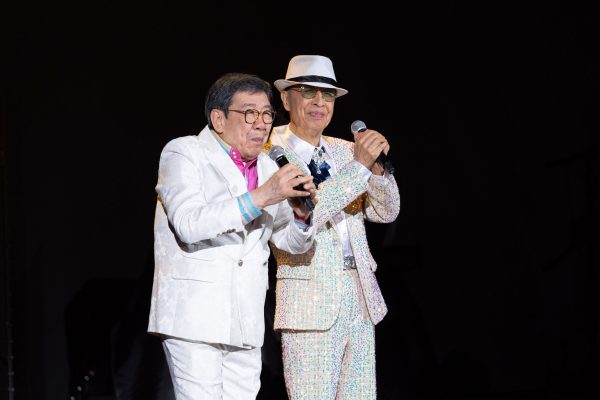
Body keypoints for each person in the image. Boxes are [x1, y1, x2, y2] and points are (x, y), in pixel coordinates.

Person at [148, 72, 317, 400]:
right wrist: (264, 195)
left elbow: (290, 243)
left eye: (267, 114)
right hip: (195, 316)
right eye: (249, 113)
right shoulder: (184, 152)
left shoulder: (268, 167)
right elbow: (189, 224)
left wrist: (301, 216)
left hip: (246, 318)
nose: (261, 124)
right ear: (218, 119)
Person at [265, 55, 400, 399]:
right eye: (308, 92)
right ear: (286, 99)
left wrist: (378, 171)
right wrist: (359, 169)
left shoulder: (346, 150)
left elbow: (386, 212)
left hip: (360, 295)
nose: (319, 102)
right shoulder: (271, 153)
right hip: (310, 300)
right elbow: (306, 214)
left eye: (327, 95)